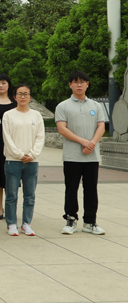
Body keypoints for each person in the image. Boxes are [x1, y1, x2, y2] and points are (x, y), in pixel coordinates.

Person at [56, 71, 107, 235]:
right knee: (71, 189)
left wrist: (91, 143)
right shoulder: (63, 106)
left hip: (91, 156)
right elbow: (62, 129)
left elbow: (101, 127)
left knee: (91, 189)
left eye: (83, 82)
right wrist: (83, 142)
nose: (79, 85)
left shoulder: (96, 106)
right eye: (76, 82)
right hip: (72, 156)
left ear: (87, 84)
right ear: (70, 84)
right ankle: (71, 219)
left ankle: (90, 222)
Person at [2, 84, 44, 237]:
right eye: (20, 94)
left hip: (32, 161)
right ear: (15, 96)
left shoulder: (36, 115)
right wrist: (20, 155)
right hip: (13, 160)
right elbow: (7, 138)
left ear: (30, 97)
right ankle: (11, 224)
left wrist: (32, 154)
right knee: (12, 194)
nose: (23, 96)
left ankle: (26, 223)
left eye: (26, 94)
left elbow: (40, 137)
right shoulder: (8, 115)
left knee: (29, 195)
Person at [0, 74, 17, 221]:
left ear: (9, 85)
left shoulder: (15, 103)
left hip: (12, 145)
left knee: (11, 178)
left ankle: (10, 208)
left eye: (3, 83)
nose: (0, 86)